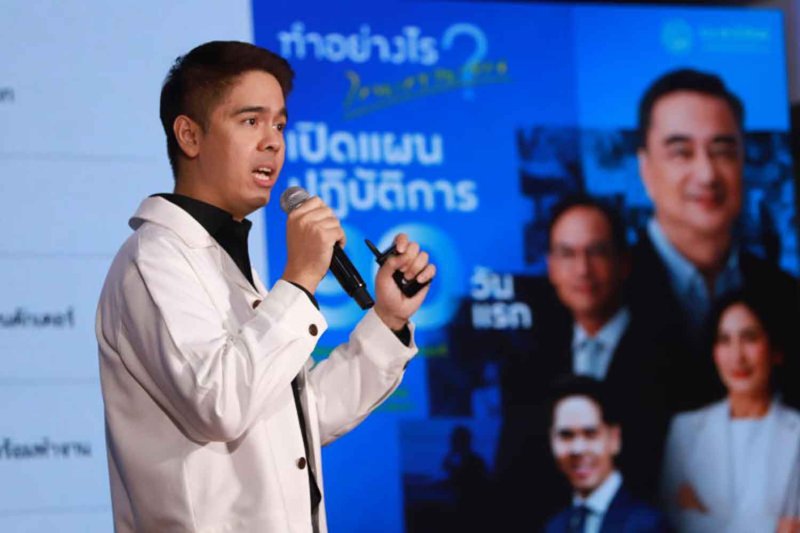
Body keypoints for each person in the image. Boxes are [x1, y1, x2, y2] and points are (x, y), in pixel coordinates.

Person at [95, 41, 435, 533]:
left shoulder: (227, 260)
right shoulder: (153, 260)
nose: (273, 142)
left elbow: (301, 415)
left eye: (279, 125)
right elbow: (220, 404)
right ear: (189, 135)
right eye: (251, 121)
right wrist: (300, 279)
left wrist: (388, 319)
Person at [494, 196, 671, 528]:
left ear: (624, 263)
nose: (583, 269)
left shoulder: (669, 356)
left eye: (597, 252)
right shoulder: (528, 365)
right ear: (551, 267)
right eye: (567, 254)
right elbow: (514, 480)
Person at [629, 68, 799, 410]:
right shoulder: (606, 291)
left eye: (723, 152)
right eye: (682, 152)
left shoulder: (785, 296)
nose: (707, 175)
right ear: (645, 170)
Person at [661, 290, 800, 533]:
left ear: (776, 350)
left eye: (750, 338)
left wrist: (704, 520)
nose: (737, 356)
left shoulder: (796, 432)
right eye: (724, 340)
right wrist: (771, 527)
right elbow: (673, 523)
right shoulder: (685, 431)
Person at [545, 376, 670, 533]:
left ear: (614, 439)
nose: (578, 449)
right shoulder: (555, 527)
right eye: (566, 435)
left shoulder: (647, 525)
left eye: (590, 434)